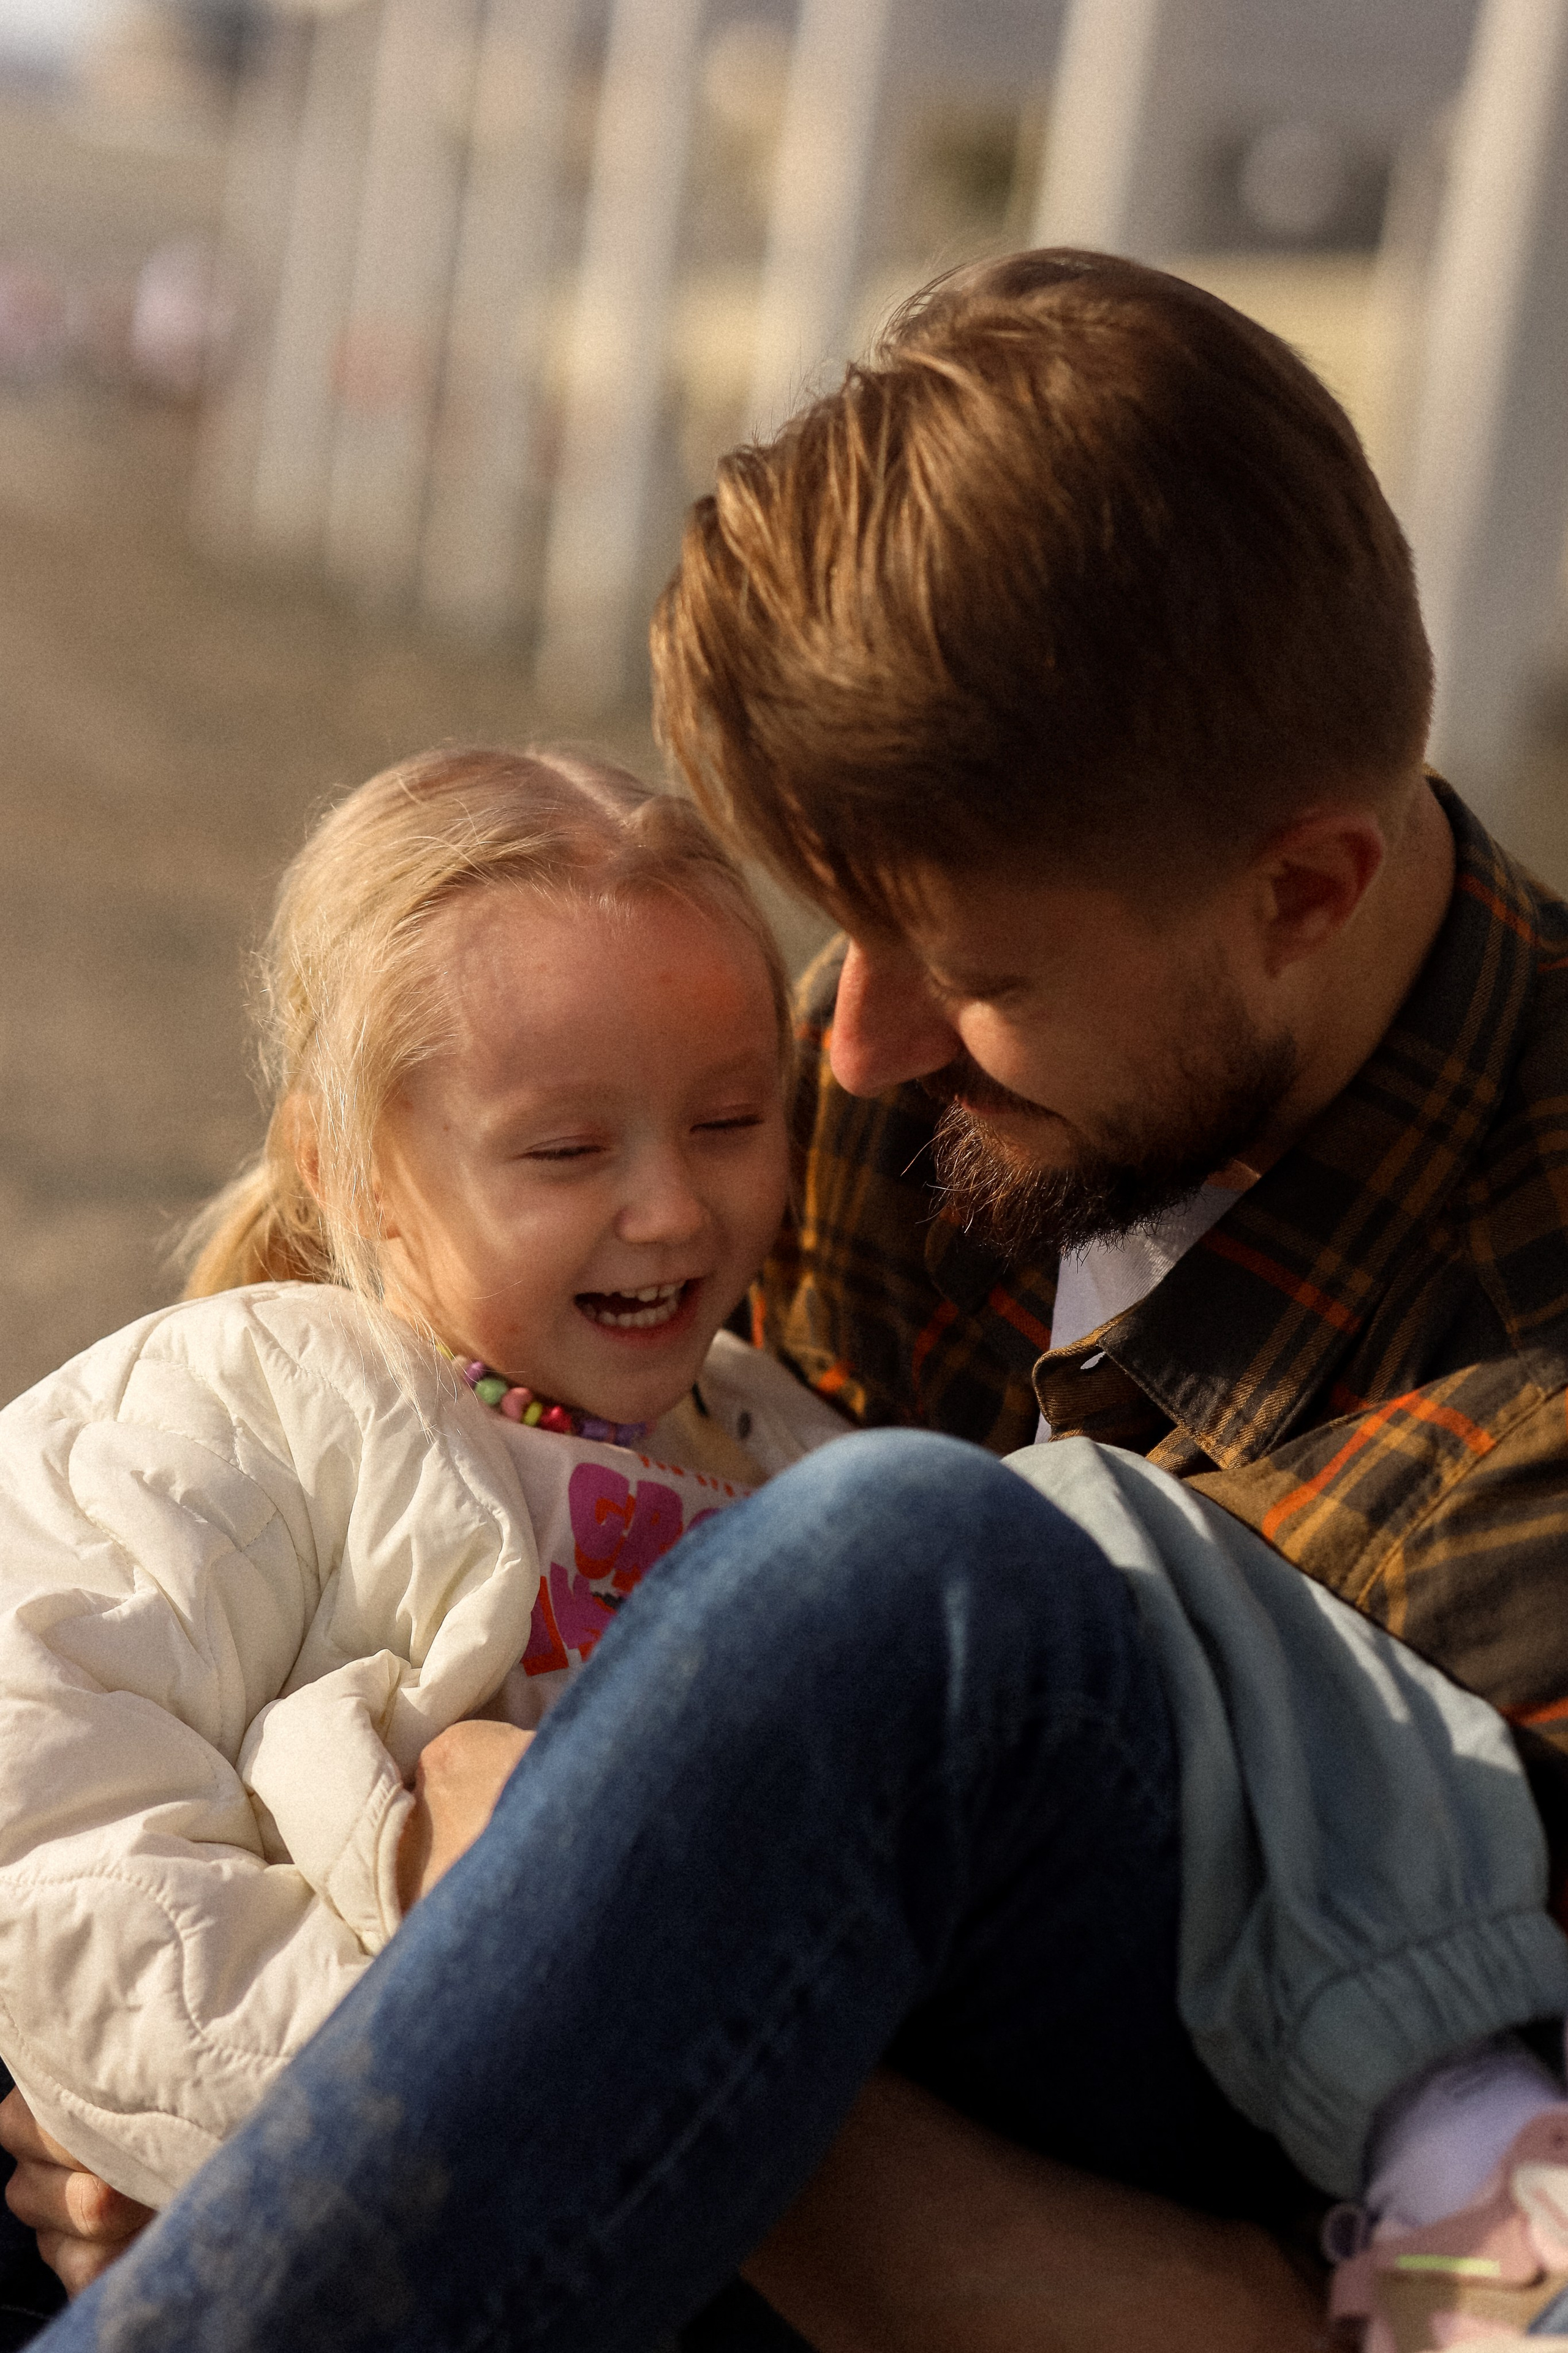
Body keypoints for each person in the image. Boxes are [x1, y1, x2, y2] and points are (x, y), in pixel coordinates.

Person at [13, 248, 1568, 2352]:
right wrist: (324, 2110)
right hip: (627, 2163)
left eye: (978, 974)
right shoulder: (877, 1090)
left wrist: (465, 2035)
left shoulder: (1530, 1370)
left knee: (897, 1554)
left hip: (1061, 2246)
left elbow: (1404, 2272)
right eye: (844, 926)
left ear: (1301, 890)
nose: (855, 1045)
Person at [0, 741, 846, 2240]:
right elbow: (62, 1837)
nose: (669, 1207)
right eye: (566, 1149)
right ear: (350, 1171)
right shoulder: (240, 1405)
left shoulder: (798, 1461)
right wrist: (408, 2135)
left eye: (729, 1121)